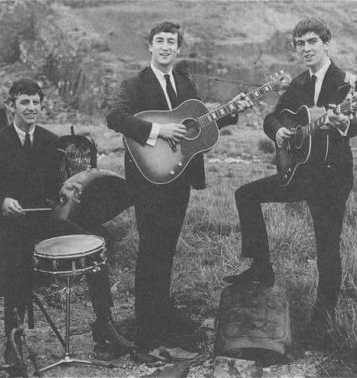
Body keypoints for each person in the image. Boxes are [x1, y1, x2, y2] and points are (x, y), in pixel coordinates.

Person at [106, 21, 251, 355]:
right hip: (148, 179)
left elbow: (198, 126)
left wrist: (231, 112)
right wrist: (157, 131)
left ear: (179, 49)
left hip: (179, 178)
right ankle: (146, 332)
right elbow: (115, 117)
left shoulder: (185, 82)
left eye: (172, 42)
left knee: (166, 249)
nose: (166, 47)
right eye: (160, 41)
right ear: (150, 47)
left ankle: (162, 321)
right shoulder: (135, 84)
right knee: (150, 251)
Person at [0, 79, 134, 367]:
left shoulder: (51, 141)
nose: (32, 108)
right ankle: (13, 343)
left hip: (44, 222)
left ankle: (104, 324)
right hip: (10, 226)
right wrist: (2, 201)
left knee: (96, 244)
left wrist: (65, 191)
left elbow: (53, 188)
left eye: (36, 102)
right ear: (11, 106)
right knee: (16, 260)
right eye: (25, 102)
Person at [224, 17, 357, 335]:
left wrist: (341, 121)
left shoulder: (346, 82)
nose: (306, 48)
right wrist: (280, 130)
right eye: (300, 43)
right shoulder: (298, 83)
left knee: (327, 245)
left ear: (326, 43)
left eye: (312, 41)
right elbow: (272, 117)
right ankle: (261, 267)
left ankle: (323, 318)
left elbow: (356, 123)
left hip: (331, 177)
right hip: (299, 171)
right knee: (246, 194)